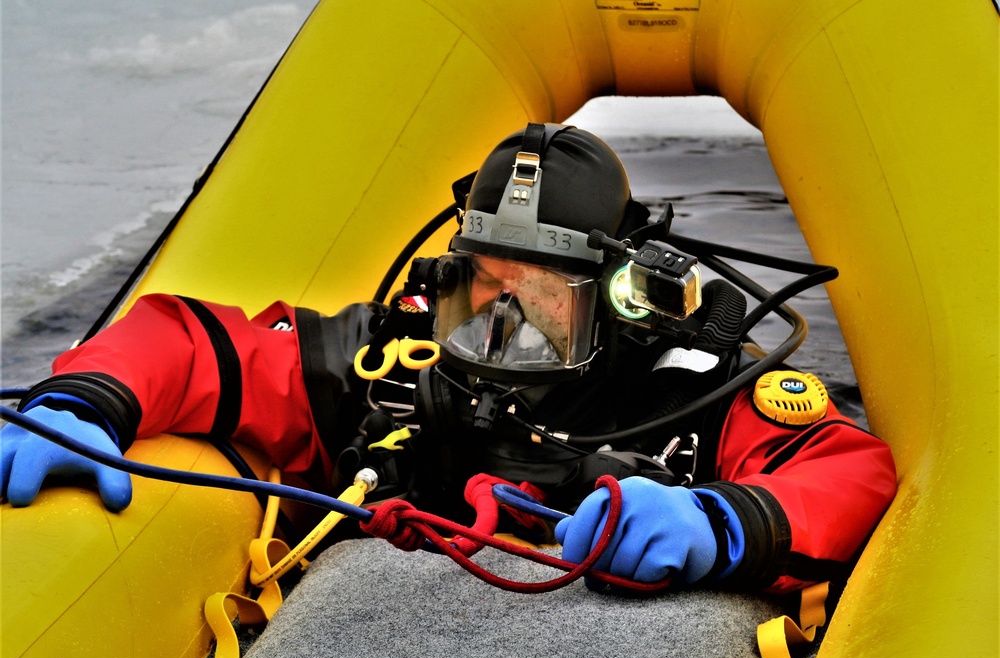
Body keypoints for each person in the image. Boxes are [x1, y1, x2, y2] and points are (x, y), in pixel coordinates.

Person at [0, 123, 896, 595]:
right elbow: (191, 342)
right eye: (482, 284)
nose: (503, 316)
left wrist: (722, 521)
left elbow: (848, 470)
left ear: (616, 293)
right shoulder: (391, 366)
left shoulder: (690, 392)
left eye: (541, 292)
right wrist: (86, 400)